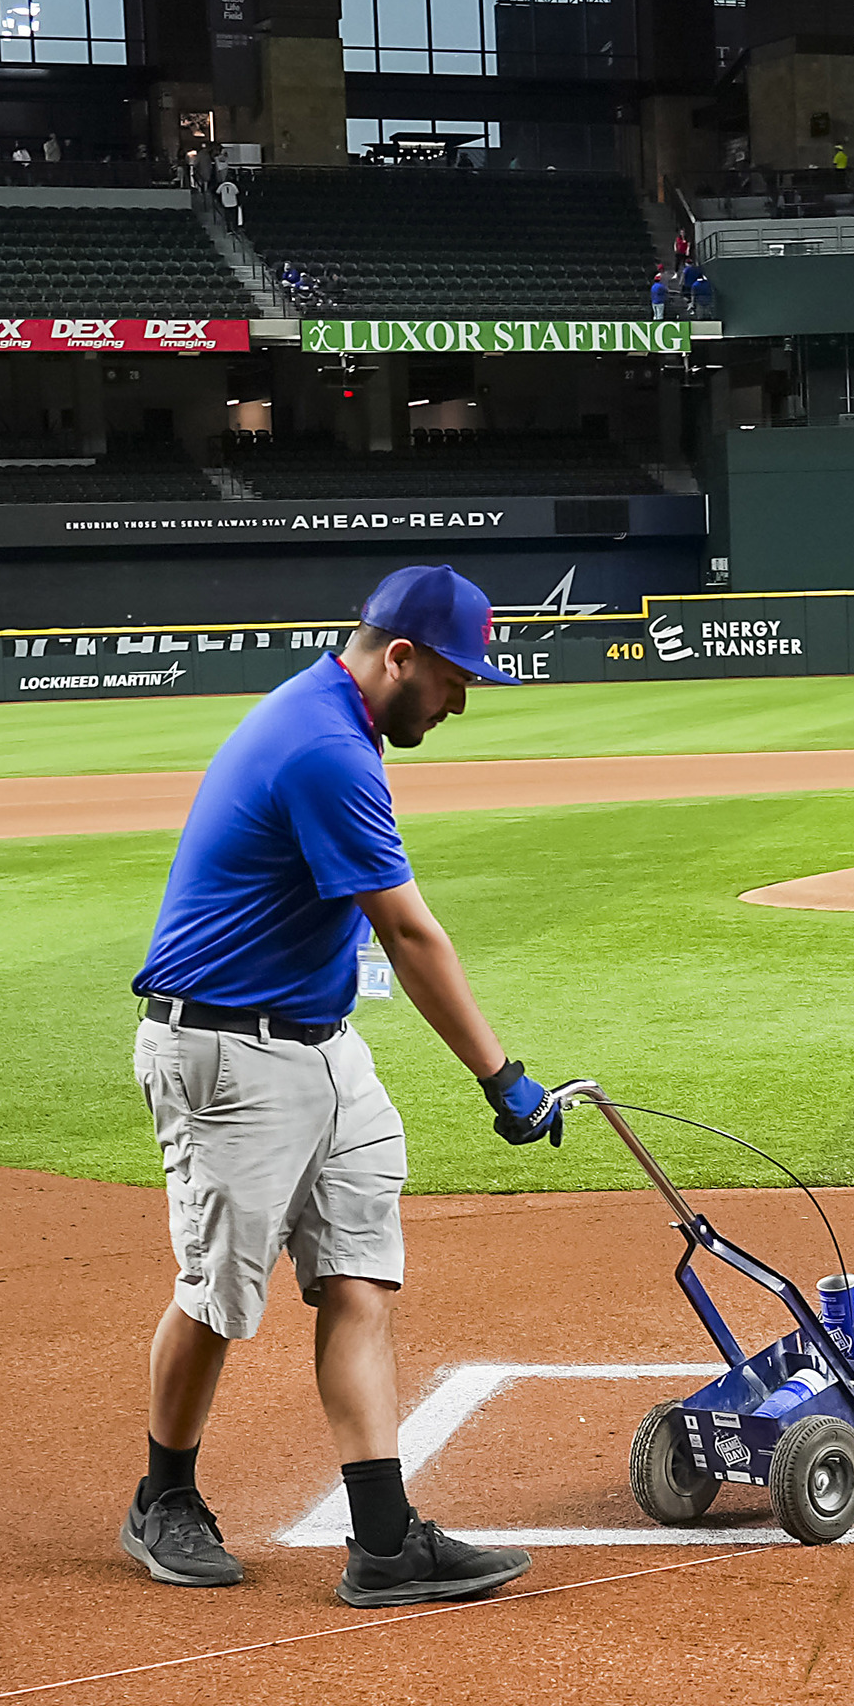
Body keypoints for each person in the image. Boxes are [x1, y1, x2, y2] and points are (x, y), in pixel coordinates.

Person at [119, 564, 558, 1610]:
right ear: (398, 656)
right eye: (454, 680)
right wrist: (501, 1075)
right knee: (221, 1294)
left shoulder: (339, 723)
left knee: (360, 1268)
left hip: (321, 1043)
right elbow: (408, 930)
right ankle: (162, 1495)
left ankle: (384, 1538)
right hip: (226, 1054)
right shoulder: (324, 748)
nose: (458, 705)